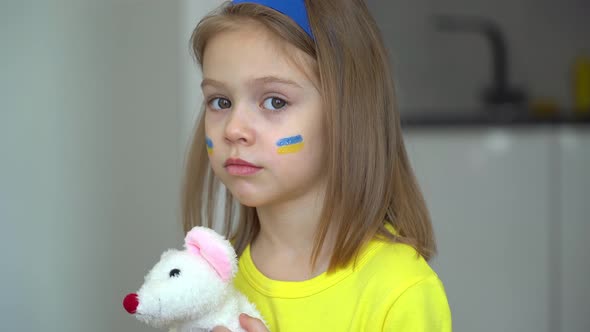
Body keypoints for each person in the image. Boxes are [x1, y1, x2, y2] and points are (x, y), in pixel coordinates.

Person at [182, 0, 452, 331]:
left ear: (348, 113)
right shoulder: (210, 281)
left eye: (274, 101)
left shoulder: (400, 291)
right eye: (220, 102)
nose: (234, 129)